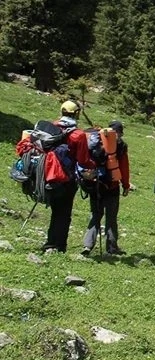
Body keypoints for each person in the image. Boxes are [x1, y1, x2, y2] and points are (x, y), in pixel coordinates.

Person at [42, 101, 96, 253]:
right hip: (67, 177)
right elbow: (83, 159)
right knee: (63, 213)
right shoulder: (78, 135)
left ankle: (51, 241)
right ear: (76, 113)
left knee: (55, 210)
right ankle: (58, 246)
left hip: (50, 174)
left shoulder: (53, 126)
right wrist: (94, 165)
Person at [80, 120, 131, 256]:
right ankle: (112, 247)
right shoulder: (120, 146)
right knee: (111, 218)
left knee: (95, 215)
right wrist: (126, 185)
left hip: (95, 184)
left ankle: (88, 245)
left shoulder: (96, 142)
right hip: (112, 186)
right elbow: (124, 168)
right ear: (119, 132)